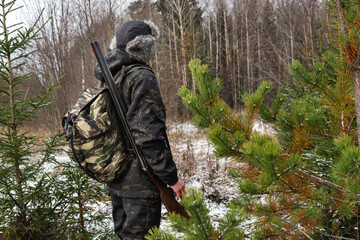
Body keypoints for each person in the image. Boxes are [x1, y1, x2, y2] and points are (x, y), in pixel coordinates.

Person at [94, 20, 185, 239]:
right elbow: (149, 136)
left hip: (116, 176)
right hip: (141, 183)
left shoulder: (110, 77)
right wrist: (172, 178)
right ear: (145, 47)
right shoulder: (142, 77)